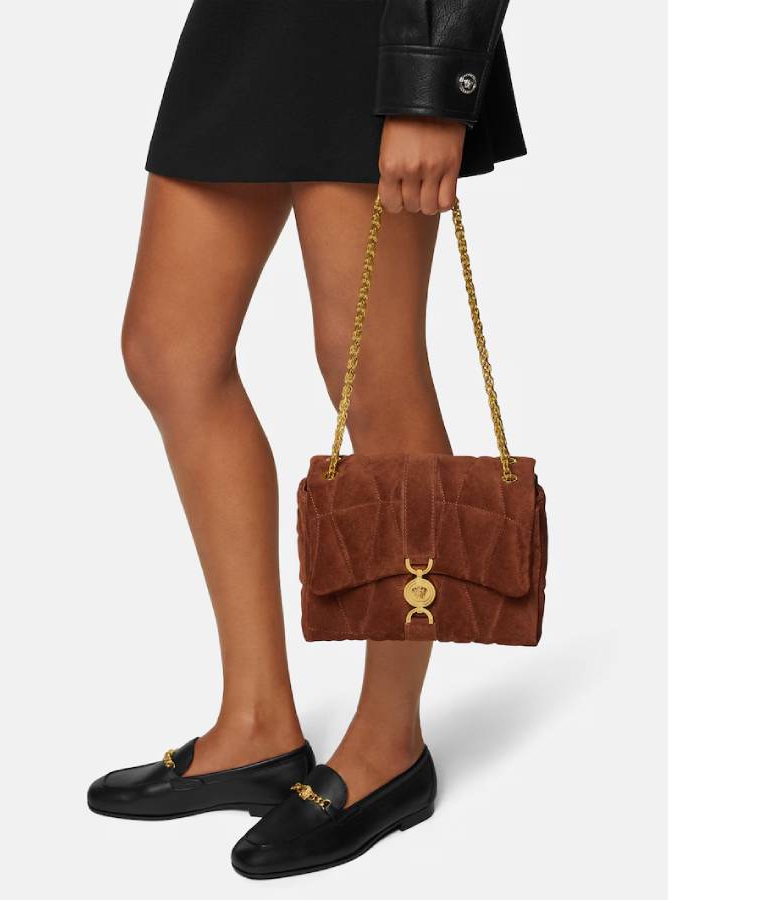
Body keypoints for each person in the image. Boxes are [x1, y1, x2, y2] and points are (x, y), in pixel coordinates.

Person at [88, 0, 525, 878]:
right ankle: (256, 725)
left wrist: (431, 81)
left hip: (375, 26)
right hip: (250, 19)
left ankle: (390, 743)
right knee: (169, 353)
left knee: (368, 366)